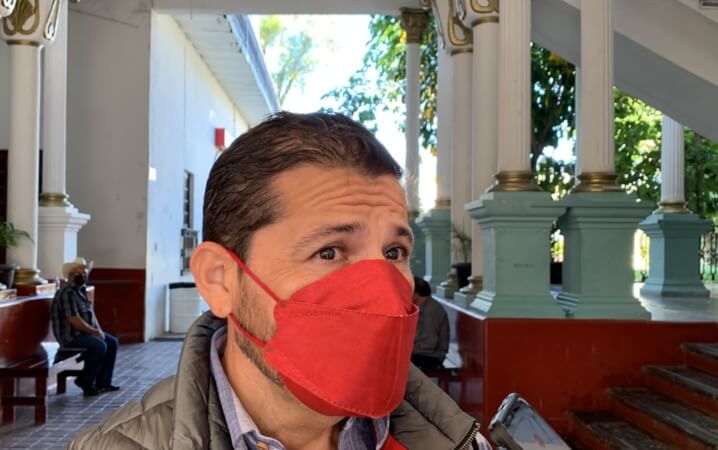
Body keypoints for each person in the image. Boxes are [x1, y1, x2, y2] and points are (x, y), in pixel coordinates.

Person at [68, 112, 491, 449]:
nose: (381, 294)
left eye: (393, 253)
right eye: (329, 252)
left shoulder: (454, 437)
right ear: (220, 281)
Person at [52, 257, 120, 397]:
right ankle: (85, 382)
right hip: (70, 336)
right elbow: (73, 320)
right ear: (70, 275)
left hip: (85, 333)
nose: (82, 276)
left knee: (112, 342)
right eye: (78, 273)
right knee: (99, 346)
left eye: (84, 273)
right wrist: (94, 332)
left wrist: (99, 330)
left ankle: (103, 383)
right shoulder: (66, 293)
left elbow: (91, 314)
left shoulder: (81, 291)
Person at [410, 277, 450, 371]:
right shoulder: (422, 306)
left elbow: (429, 343)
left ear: (416, 293)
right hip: (422, 354)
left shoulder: (431, 310)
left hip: (430, 357)